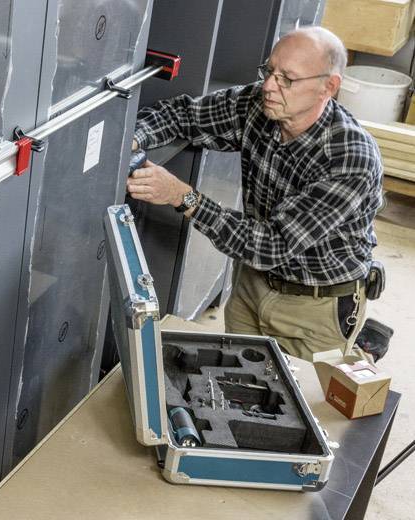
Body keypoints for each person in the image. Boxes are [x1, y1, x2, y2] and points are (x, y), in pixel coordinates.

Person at [127, 26, 383, 362]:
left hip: (313, 309)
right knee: (235, 385)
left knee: (300, 406)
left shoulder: (350, 158)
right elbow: (183, 116)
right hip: (251, 283)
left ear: (328, 87)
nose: (268, 86)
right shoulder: (258, 105)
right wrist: (131, 139)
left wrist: (183, 196)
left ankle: (361, 349)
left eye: (287, 79)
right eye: (269, 71)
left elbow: (272, 245)